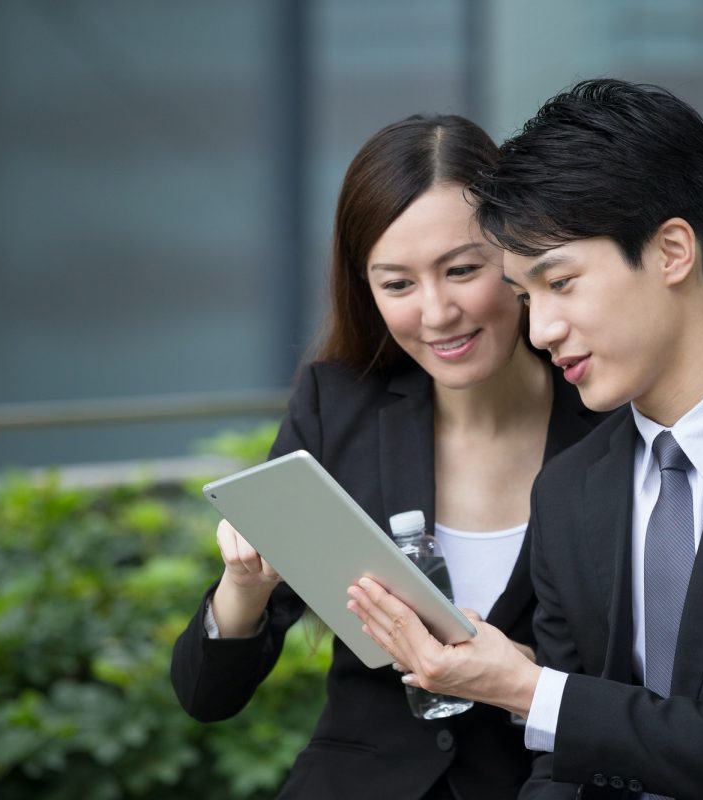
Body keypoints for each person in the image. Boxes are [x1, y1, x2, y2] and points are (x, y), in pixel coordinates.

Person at [347, 79, 703, 800]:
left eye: (561, 282)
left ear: (671, 250)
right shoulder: (571, 492)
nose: (540, 331)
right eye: (524, 296)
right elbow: (559, 772)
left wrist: (532, 690)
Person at [171, 113, 603, 800]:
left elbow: (654, 683)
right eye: (397, 285)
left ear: (518, 253)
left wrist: (526, 678)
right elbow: (207, 695)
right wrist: (245, 589)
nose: (436, 313)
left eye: (462, 270)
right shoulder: (337, 407)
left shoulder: (609, 421)